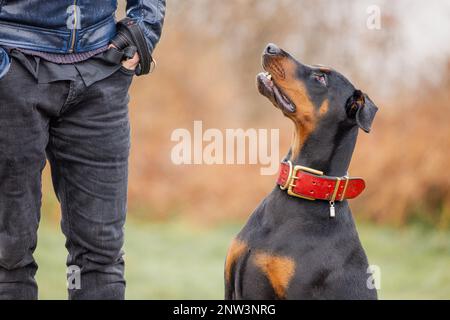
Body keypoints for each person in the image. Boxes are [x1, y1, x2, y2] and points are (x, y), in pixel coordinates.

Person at [0, 0, 166, 300]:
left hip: (101, 67)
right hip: (12, 63)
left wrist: (142, 30)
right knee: (7, 255)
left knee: (101, 259)